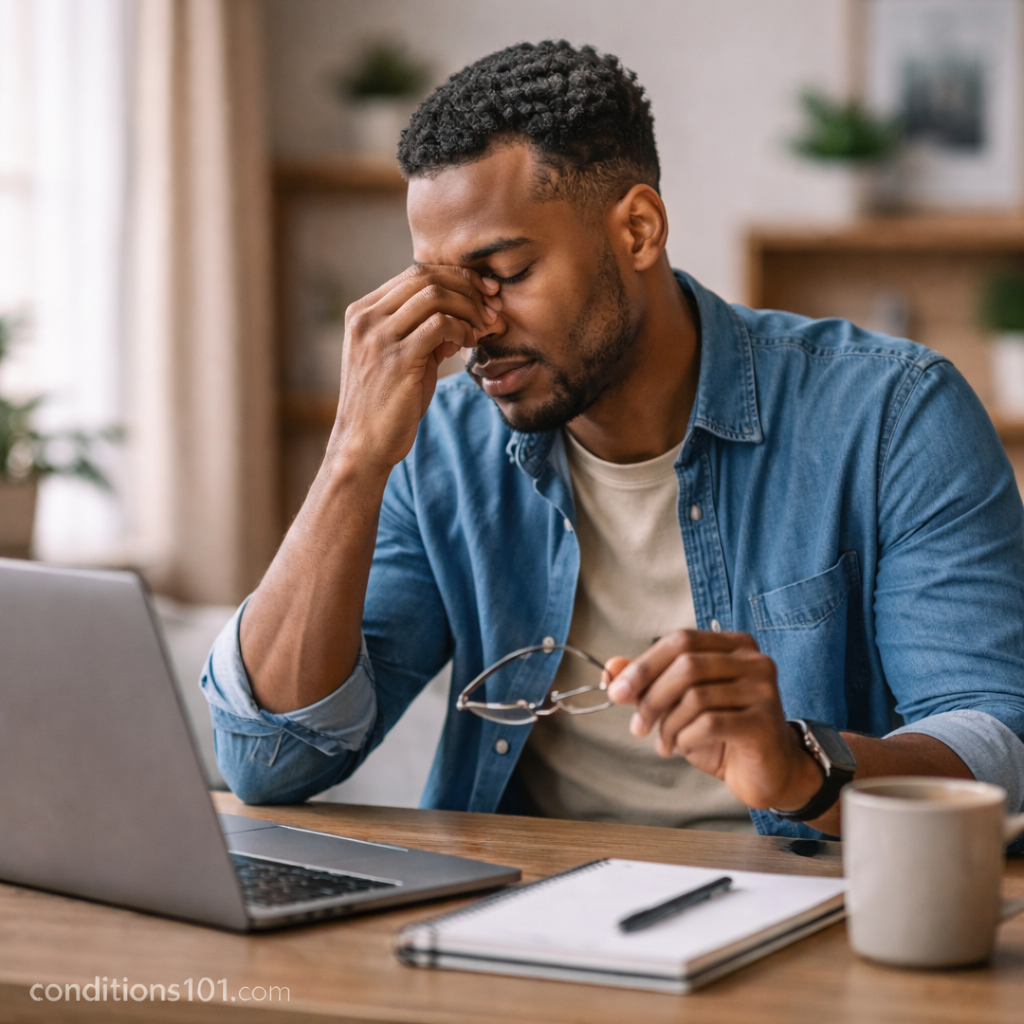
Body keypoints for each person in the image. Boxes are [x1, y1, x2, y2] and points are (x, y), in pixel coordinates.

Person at [201, 40, 1024, 841]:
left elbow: (1000, 745)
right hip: (517, 916)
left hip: (806, 912)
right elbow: (271, 763)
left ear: (638, 230)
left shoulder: (892, 413)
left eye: (507, 272)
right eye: (443, 285)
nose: (473, 325)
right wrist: (352, 456)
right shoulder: (440, 446)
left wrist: (800, 767)